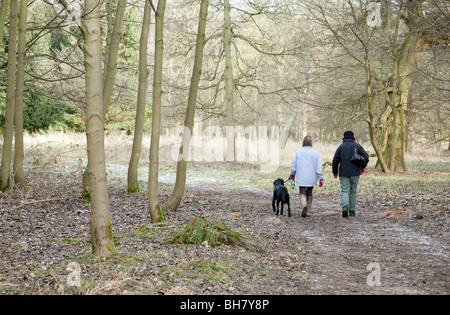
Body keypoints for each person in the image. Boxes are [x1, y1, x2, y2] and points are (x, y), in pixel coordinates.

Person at [332, 130, 369, 217]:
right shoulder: (357, 146)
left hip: (343, 172)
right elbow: (366, 156)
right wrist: (363, 166)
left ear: (344, 138)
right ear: (353, 138)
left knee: (345, 190)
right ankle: (352, 211)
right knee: (353, 191)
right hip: (355, 172)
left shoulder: (341, 147)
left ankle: (345, 207)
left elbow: (335, 161)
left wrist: (335, 171)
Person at [289, 136, 324, 218]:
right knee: (309, 192)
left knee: (302, 191)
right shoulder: (315, 153)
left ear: (303, 143)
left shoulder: (299, 152)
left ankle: (304, 205)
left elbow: (294, 164)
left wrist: (292, 174)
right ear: (311, 143)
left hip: (301, 175)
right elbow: (319, 167)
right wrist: (320, 178)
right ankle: (308, 209)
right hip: (311, 176)